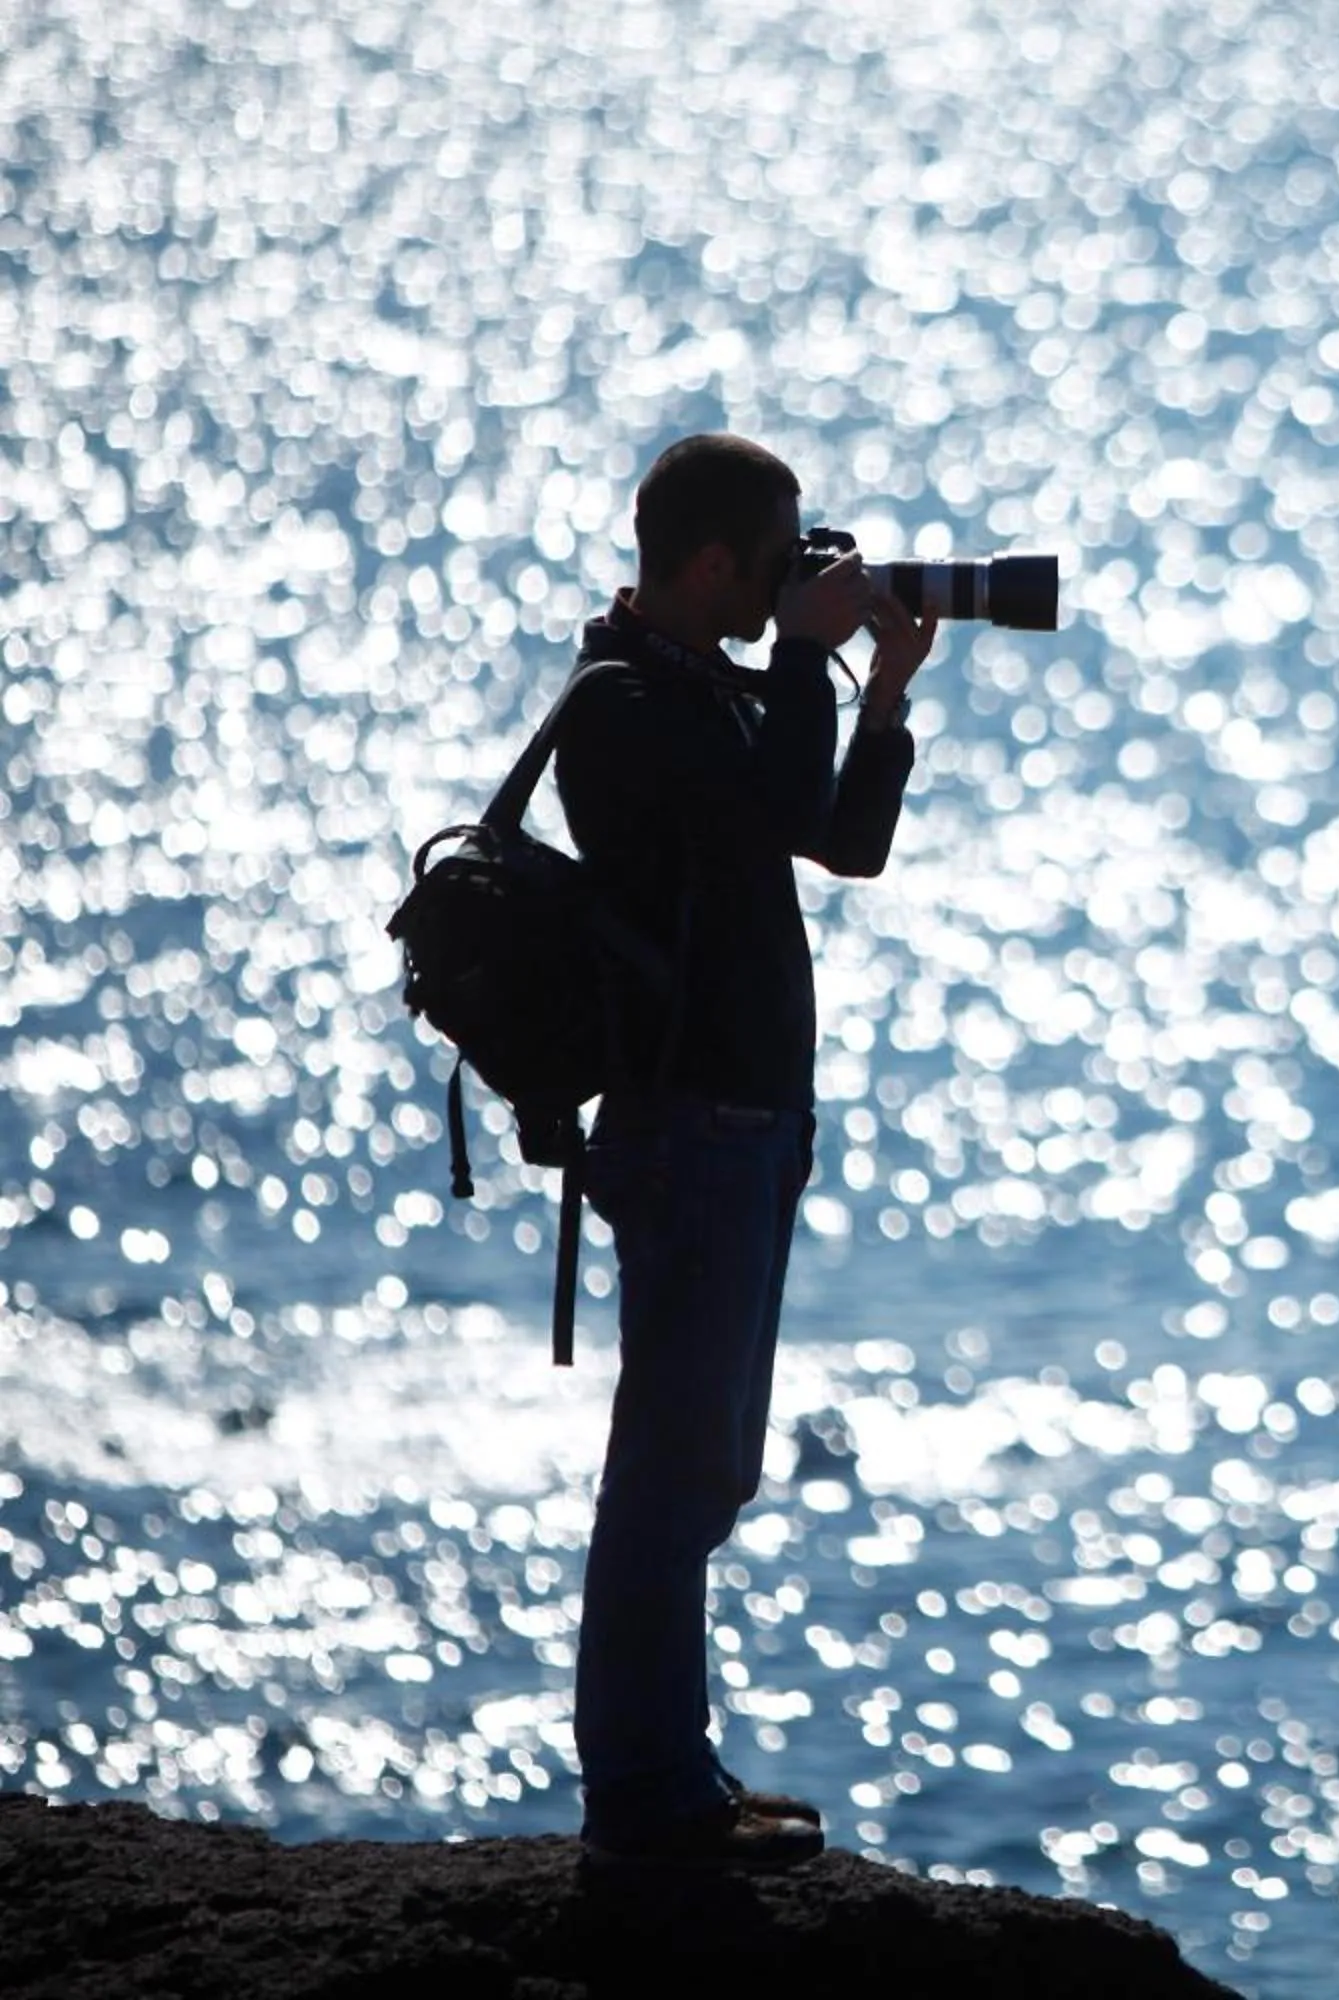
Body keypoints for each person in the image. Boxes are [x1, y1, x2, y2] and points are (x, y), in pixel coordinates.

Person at [550, 431, 937, 1869]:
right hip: (690, 1126)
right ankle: (644, 1799)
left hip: (747, 1123)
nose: (793, 591)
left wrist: (879, 691)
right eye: (776, 568)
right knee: (667, 1472)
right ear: (711, 563)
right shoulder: (625, 703)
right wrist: (800, 661)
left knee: (704, 1469)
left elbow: (839, 841)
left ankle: (674, 1778)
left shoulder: (702, 683)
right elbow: (776, 809)